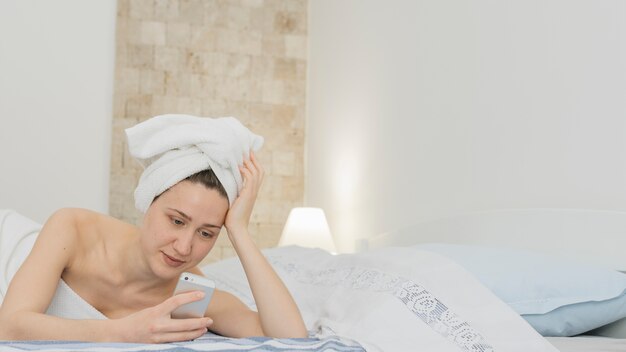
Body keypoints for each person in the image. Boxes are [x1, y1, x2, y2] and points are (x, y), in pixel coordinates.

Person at [0, 115, 308, 343]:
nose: (184, 247)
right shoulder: (72, 228)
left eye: (206, 233)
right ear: (149, 202)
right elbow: (9, 327)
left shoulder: (190, 294)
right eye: (176, 220)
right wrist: (123, 332)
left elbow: (292, 339)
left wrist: (239, 231)